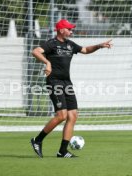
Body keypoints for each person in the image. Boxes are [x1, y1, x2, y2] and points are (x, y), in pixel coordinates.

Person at [30, 19, 112, 158]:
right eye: (69, 29)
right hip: (54, 82)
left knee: (73, 116)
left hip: (67, 83)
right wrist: (47, 62)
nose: (71, 31)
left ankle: (62, 151)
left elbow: (85, 50)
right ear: (61, 30)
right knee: (61, 115)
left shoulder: (70, 44)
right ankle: (37, 140)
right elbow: (35, 51)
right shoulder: (52, 44)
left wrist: (99, 46)